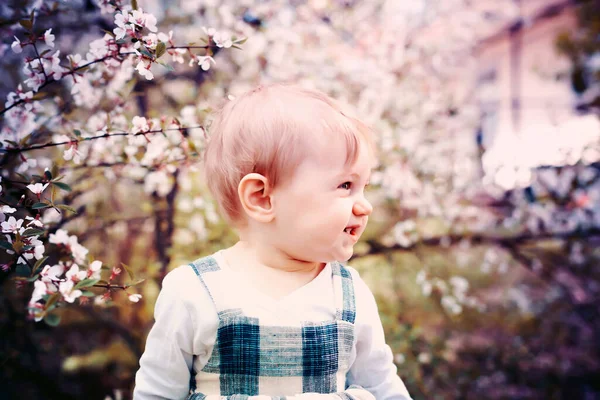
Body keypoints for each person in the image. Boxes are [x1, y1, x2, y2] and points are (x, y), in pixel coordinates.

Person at [133, 83, 412, 400]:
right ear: (262, 198)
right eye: (346, 185)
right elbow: (156, 394)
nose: (365, 206)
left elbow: (385, 389)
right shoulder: (193, 293)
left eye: (364, 187)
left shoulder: (349, 294)